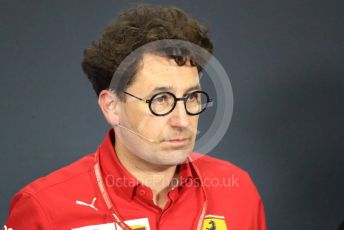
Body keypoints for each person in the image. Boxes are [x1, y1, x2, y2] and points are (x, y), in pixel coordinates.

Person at [3, 4, 266, 230]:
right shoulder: (43, 208)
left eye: (191, 98)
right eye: (161, 100)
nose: (183, 121)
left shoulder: (238, 191)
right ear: (111, 106)